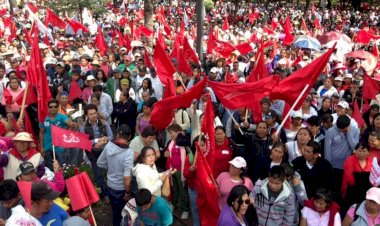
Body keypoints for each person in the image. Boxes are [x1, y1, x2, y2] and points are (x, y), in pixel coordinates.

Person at [97, 124, 133, 226]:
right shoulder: (128, 152)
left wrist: (110, 167)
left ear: (117, 135)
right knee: (123, 213)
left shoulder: (109, 146)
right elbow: (126, 177)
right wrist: (127, 192)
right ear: (129, 137)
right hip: (121, 189)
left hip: (110, 185)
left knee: (115, 213)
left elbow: (100, 163)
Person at [80, 104, 113, 202]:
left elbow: (111, 136)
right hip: (93, 153)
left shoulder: (104, 123)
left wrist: (104, 140)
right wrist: (97, 141)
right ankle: (105, 193)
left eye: (95, 113)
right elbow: (83, 142)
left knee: (109, 172)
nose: (93, 115)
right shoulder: (83, 127)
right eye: (91, 114)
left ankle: (111, 190)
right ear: (87, 115)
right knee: (98, 174)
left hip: (106, 151)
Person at [325, 115, 359, 199]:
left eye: (344, 128)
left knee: (344, 189)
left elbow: (355, 148)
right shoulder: (330, 131)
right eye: (340, 128)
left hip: (347, 165)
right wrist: (328, 166)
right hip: (333, 165)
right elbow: (327, 150)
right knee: (334, 188)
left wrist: (349, 134)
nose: (342, 130)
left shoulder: (355, 130)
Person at [164, 123, 190, 219]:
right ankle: (173, 204)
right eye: (170, 133)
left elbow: (188, 154)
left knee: (182, 190)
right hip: (172, 170)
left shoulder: (184, 141)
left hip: (181, 171)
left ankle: (185, 209)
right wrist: (166, 154)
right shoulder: (171, 142)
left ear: (178, 132)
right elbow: (167, 153)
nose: (171, 135)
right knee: (174, 188)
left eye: (172, 133)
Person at [39, 99, 72, 169]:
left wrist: (72, 123)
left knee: (62, 168)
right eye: (51, 107)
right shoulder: (43, 118)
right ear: (48, 108)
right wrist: (42, 147)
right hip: (47, 148)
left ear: (58, 107)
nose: (53, 108)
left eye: (55, 106)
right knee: (50, 169)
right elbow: (41, 133)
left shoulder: (62, 117)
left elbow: (69, 123)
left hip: (60, 148)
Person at [341, 143, 373, 213]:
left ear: (368, 152)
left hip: (366, 190)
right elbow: (349, 177)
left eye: (364, 151)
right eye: (359, 150)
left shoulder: (371, 161)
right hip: (352, 189)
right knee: (350, 209)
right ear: (355, 151)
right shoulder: (350, 160)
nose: (361, 153)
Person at [183, 135, 206, 226]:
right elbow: (185, 174)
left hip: (205, 190)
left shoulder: (208, 157)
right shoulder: (190, 157)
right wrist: (190, 170)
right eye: (198, 145)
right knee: (195, 210)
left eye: (203, 145)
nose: (200, 147)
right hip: (193, 189)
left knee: (205, 210)